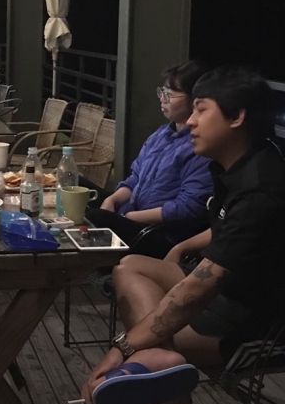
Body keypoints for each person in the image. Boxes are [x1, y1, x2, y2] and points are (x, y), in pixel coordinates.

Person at [81, 68, 285, 404]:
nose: (191, 121)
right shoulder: (239, 164)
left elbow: (199, 289)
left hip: (275, 324)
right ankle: (159, 361)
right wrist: (183, 247)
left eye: (201, 110)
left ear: (237, 117)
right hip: (236, 293)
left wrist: (123, 347)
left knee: (148, 348)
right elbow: (224, 234)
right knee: (131, 266)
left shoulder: (262, 189)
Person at [86, 61, 213, 259]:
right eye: (162, 92)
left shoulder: (199, 146)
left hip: (159, 234)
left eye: (170, 95)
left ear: (195, 101)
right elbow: (135, 178)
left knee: (94, 217)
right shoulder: (161, 134)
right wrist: (112, 200)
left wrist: (128, 217)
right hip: (132, 214)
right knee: (80, 191)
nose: (162, 99)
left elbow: (187, 207)